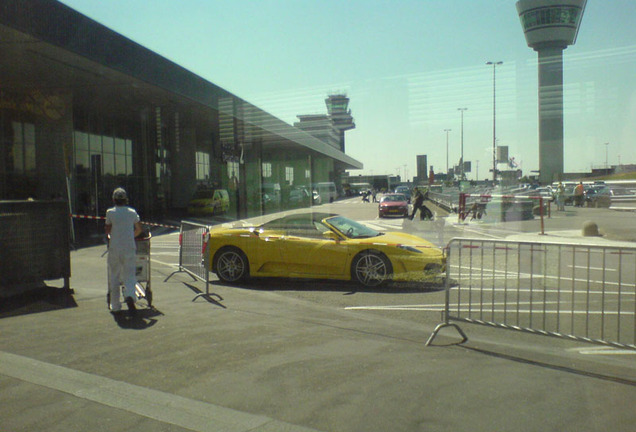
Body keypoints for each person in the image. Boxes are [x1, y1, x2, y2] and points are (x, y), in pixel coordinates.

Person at [105, 187, 143, 315]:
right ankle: (130, 295)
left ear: (114, 200)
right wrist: (131, 236)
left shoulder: (110, 212)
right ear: (125, 199)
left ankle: (115, 305)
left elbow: (108, 230)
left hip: (115, 247)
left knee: (114, 276)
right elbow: (139, 229)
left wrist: (113, 237)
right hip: (129, 247)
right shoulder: (132, 212)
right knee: (130, 275)